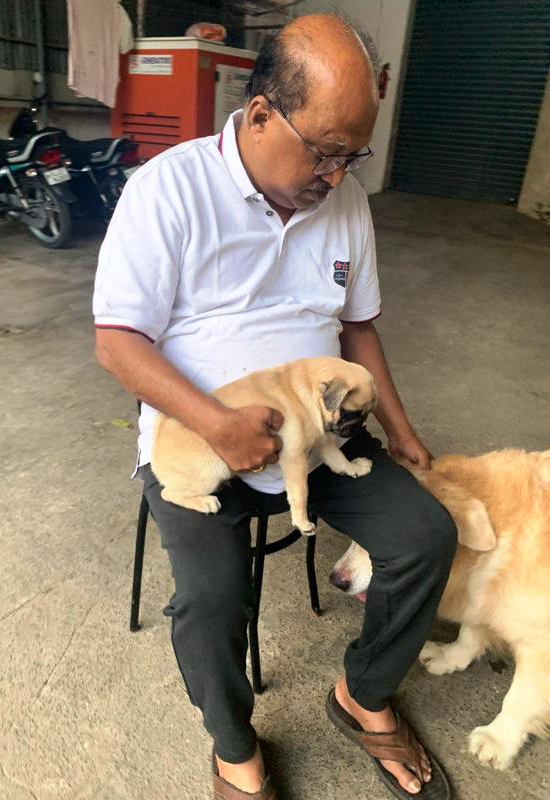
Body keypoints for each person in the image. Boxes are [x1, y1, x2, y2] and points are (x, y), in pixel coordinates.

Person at [93, 13, 456, 800]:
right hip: (201, 439)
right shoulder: (168, 189)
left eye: (349, 155)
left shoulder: (345, 200)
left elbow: (357, 325)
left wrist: (400, 428)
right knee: (211, 602)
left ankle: (360, 696)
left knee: (426, 536)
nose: (335, 174)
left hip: (319, 429)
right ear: (260, 115)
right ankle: (233, 748)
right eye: (323, 151)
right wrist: (217, 424)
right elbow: (118, 342)